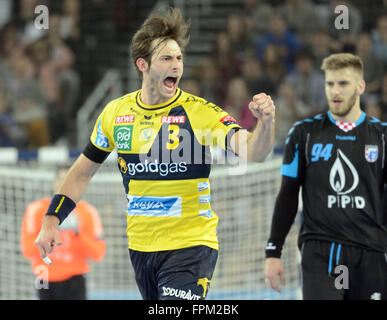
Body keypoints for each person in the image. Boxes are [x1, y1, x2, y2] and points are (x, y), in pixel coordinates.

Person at [34, 7, 276, 301]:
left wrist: (266, 124)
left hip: (191, 245)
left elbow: (254, 152)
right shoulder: (116, 113)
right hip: (141, 248)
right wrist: (52, 219)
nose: (176, 65)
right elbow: (82, 172)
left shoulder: (199, 112)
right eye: (166, 58)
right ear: (143, 65)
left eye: (179, 58)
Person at [264, 53, 387, 300]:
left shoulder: (381, 136)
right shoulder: (304, 134)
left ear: (360, 86)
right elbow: (288, 195)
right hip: (320, 251)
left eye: (343, 83)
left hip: (371, 252)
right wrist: (273, 252)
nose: (335, 91)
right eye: (330, 83)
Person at [21, 166, 106, 300]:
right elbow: (27, 250)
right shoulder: (36, 209)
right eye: (62, 180)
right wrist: (50, 231)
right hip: (44, 277)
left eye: (70, 181)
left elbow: (98, 253)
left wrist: (78, 233)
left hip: (75, 279)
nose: (66, 185)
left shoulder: (88, 212)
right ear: (54, 183)